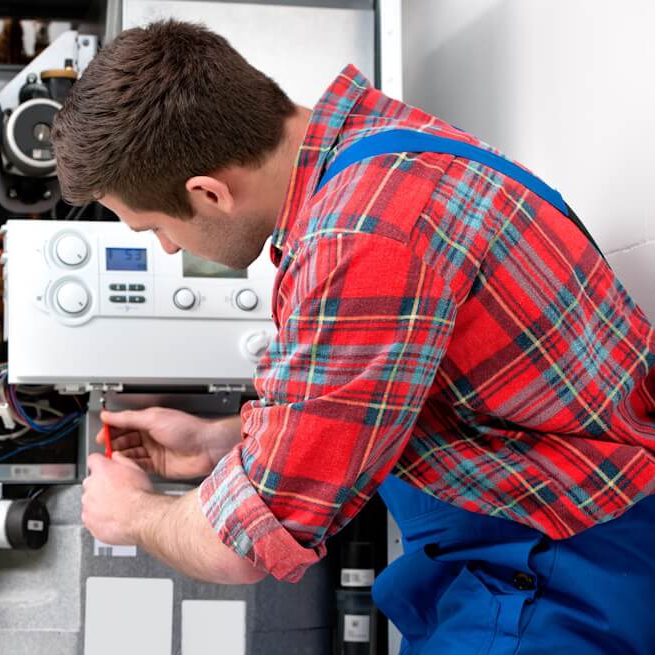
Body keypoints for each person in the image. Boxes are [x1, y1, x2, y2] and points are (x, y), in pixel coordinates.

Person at [50, 20, 654, 654]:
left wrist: (135, 516)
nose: (169, 249)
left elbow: (246, 546)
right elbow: (384, 399)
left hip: (555, 573)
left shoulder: (361, 240)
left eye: (155, 229)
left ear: (208, 192)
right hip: (536, 537)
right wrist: (218, 441)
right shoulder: (378, 146)